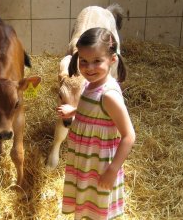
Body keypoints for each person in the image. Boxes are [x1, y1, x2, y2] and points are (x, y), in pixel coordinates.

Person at [56, 27, 136, 220]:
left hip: (99, 164)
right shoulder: (90, 84)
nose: (89, 68)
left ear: (112, 59)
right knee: (86, 204)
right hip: (86, 159)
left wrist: (112, 170)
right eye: (83, 61)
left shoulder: (109, 95)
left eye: (97, 61)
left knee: (97, 209)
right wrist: (75, 110)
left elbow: (129, 135)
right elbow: (95, 109)